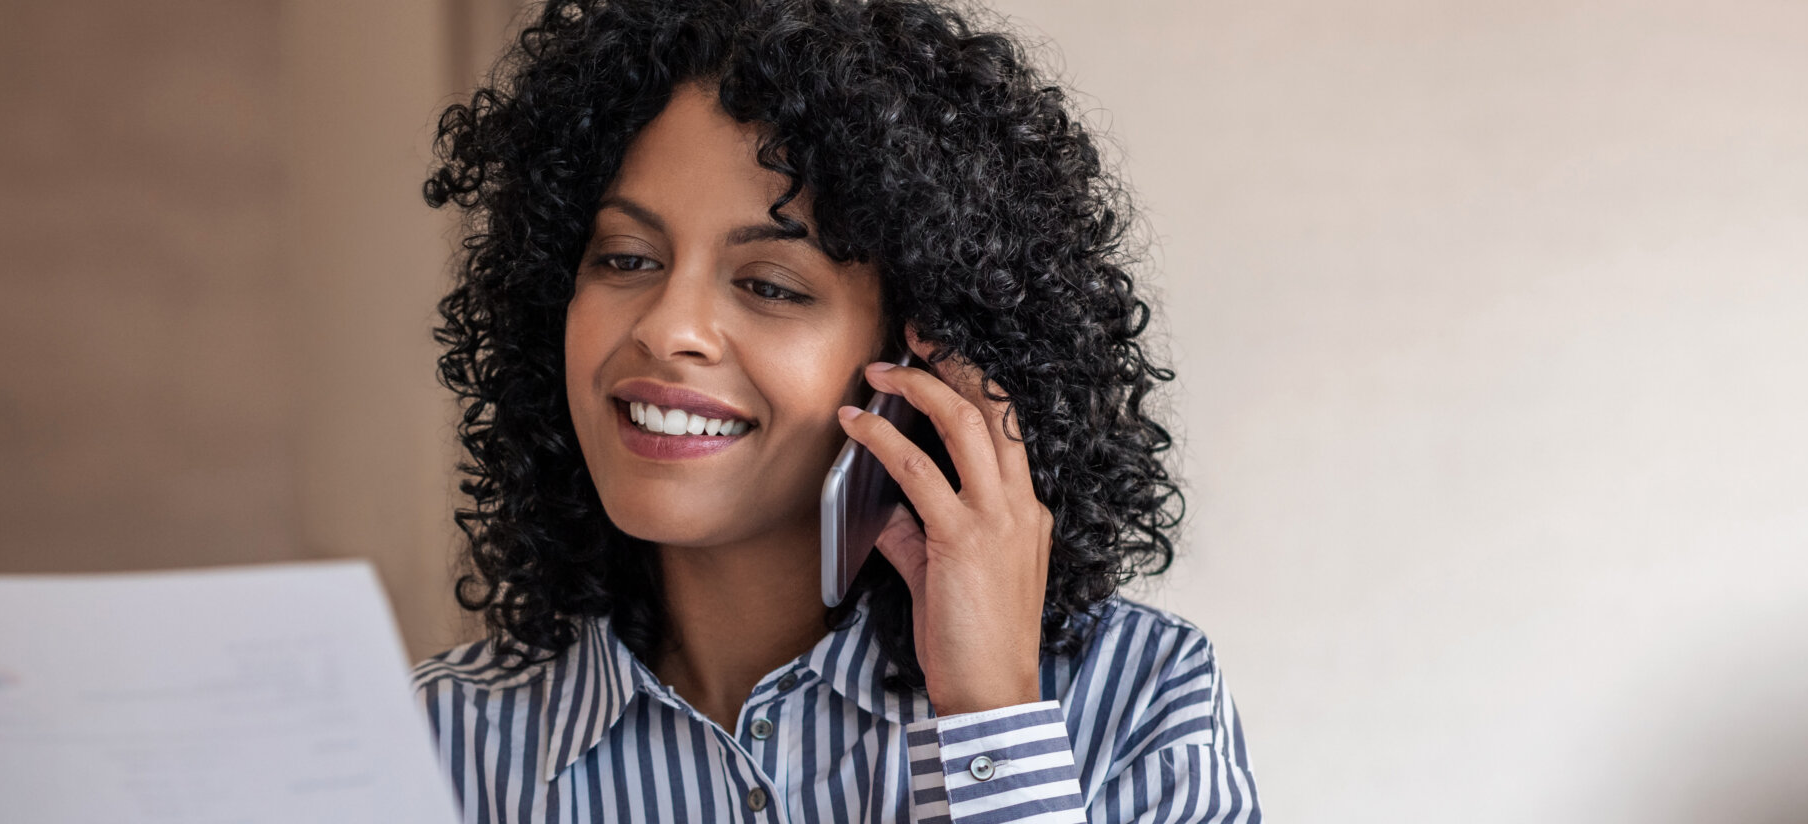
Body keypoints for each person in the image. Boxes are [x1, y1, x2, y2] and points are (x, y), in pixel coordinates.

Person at [412, 1, 1261, 822]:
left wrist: (991, 719)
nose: (667, 329)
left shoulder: (1140, 700)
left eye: (770, 286)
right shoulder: (431, 749)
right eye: (626, 258)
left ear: (925, 360)